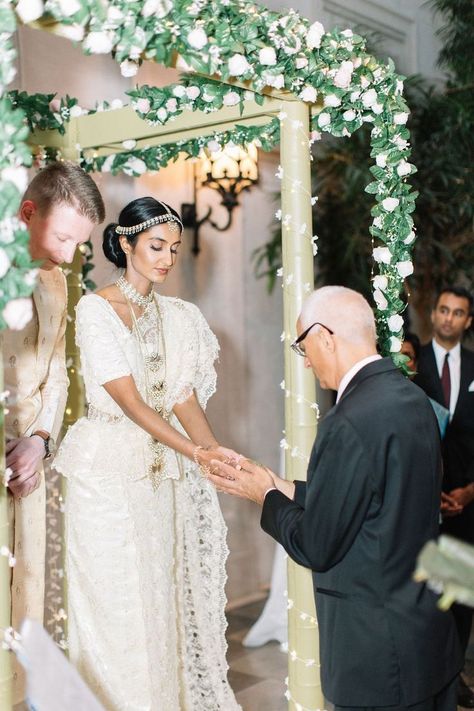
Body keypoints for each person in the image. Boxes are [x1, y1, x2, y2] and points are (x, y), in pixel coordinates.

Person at [209, 286, 462, 711]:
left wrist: (266, 496)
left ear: (325, 336)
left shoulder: (348, 421)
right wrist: (287, 488)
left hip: (378, 658)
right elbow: (379, 500)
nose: (305, 360)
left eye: (303, 346)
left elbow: (316, 545)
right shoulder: (413, 400)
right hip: (429, 639)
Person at [53, 197, 241, 711]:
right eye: (157, 246)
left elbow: (183, 399)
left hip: (159, 478)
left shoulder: (180, 316)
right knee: (117, 608)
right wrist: (196, 455)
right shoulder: (95, 309)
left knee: (159, 603)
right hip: (105, 480)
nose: (166, 258)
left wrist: (217, 453)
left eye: (174, 249)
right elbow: (130, 402)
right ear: (126, 242)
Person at [1, 161, 105, 707]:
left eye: (77, 242)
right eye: (63, 237)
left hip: (29, 466)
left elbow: (58, 373)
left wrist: (39, 440)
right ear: (26, 213)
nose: (68, 254)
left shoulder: (56, 281)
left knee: (27, 596)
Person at [414, 285, 474, 708]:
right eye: (443, 310)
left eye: (458, 313)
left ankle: (454, 678)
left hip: (467, 500)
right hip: (421, 499)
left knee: (462, 595)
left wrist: (470, 491)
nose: (449, 318)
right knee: (425, 593)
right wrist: (429, 490)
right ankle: (430, 676)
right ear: (433, 314)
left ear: (468, 321)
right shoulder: (410, 363)